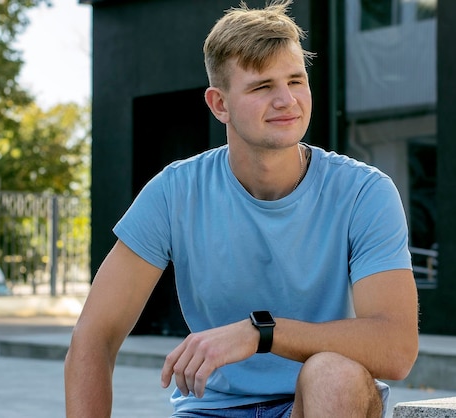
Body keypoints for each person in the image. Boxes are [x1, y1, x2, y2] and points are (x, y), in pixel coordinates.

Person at [64, 1, 419, 417]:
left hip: (317, 403)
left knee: (333, 374)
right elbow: (93, 337)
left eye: (295, 80)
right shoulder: (175, 191)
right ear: (219, 105)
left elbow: (396, 349)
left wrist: (261, 334)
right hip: (210, 410)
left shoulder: (364, 192)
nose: (287, 100)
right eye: (262, 86)